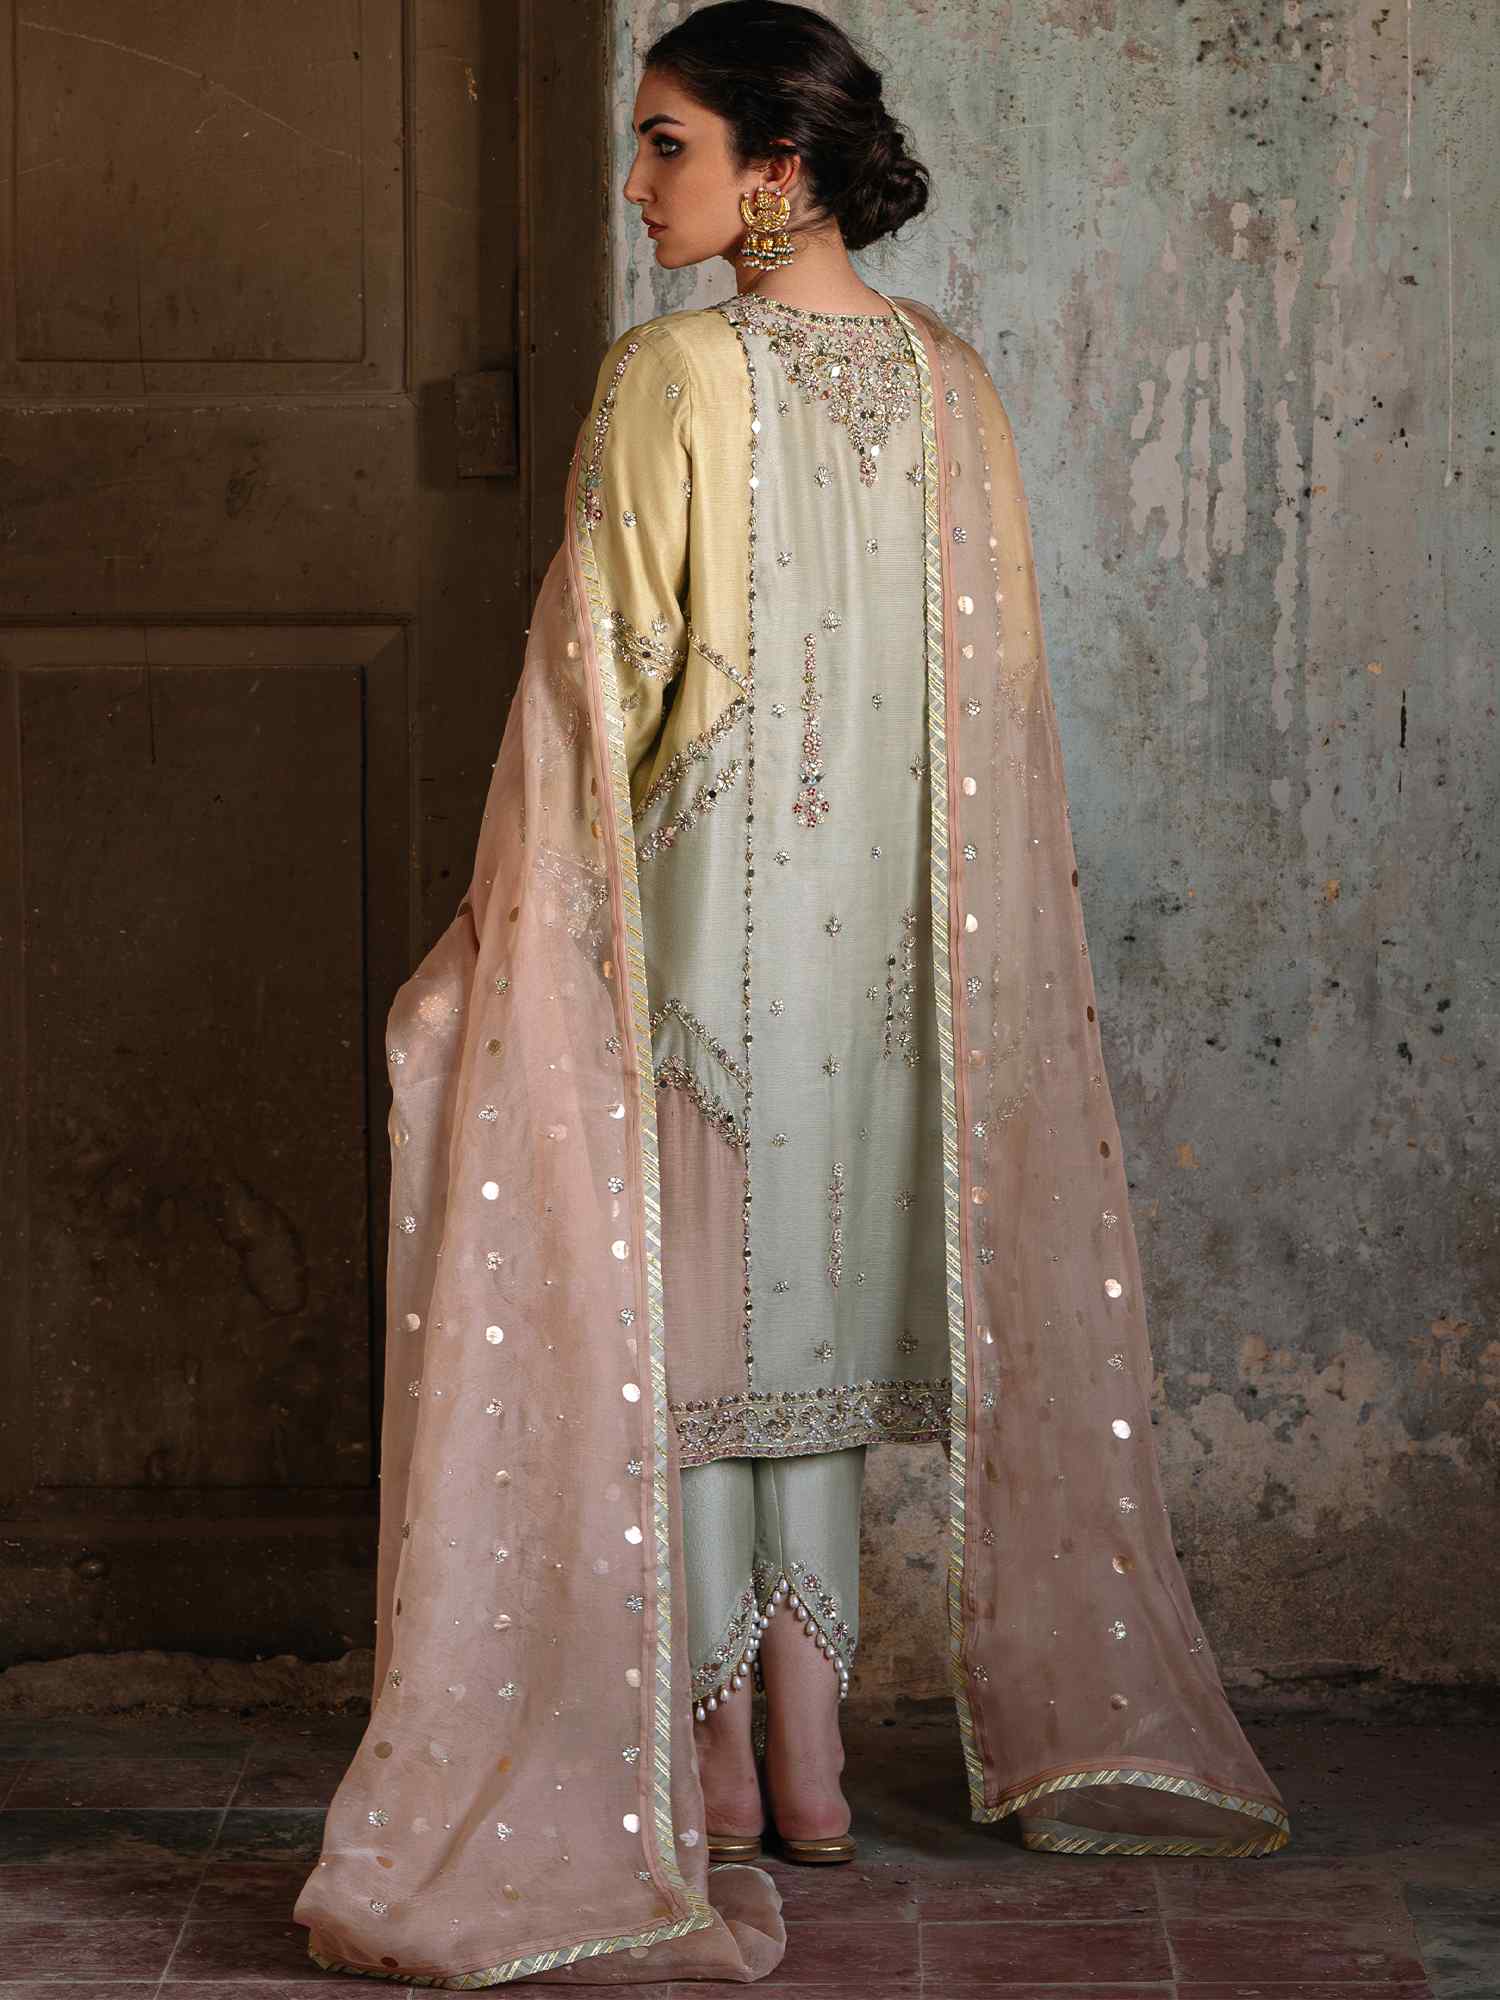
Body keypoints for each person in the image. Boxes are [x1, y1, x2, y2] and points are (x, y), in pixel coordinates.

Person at [294, 4, 1290, 1987]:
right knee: (804, 1325)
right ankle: (810, 1764)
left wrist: (511, 932)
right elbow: (992, 721)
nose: (633, 183)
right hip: (899, 971)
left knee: (676, 1328)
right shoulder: (953, 385)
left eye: (665, 143)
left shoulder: (671, 376)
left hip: (686, 945)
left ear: (781, 166)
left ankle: (709, 1765)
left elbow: (603, 694)